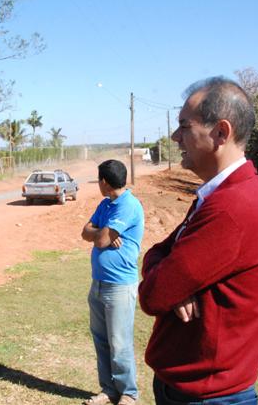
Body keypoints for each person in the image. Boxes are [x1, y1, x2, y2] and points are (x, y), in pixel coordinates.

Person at [139, 77, 258, 405]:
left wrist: (169, 285)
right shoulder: (221, 195)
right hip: (198, 389)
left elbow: (153, 295)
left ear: (220, 132)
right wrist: (171, 281)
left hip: (208, 395)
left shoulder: (233, 207)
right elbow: (157, 254)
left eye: (184, 126)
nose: (175, 137)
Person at [81, 159, 145, 405]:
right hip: (98, 283)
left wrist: (101, 234)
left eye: (98, 180)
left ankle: (128, 393)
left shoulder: (128, 205)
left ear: (104, 182)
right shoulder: (106, 203)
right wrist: (102, 233)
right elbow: (86, 232)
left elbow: (98, 239)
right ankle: (108, 390)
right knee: (101, 340)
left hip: (119, 286)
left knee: (119, 341)